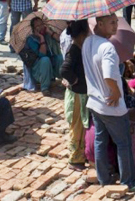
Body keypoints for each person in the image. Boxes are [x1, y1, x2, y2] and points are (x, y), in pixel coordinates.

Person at [82, 13, 135, 193]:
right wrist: (115, 90)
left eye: (116, 22)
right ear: (100, 23)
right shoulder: (107, 47)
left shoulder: (87, 42)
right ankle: (130, 181)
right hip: (111, 106)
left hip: (94, 102)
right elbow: (109, 74)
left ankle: (104, 178)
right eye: (112, 23)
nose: (115, 26)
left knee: (100, 140)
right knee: (123, 143)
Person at [60, 20, 91, 170]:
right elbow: (64, 70)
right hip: (77, 95)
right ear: (82, 34)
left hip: (82, 94)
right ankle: (74, 159)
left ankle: (82, 154)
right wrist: (75, 80)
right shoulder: (73, 50)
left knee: (82, 126)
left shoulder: (80, 48)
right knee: (77, 127)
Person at [25, 17, 62, 96]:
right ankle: (44, 88)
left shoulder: (47, 34)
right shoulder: (31, 39)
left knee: (59, 57)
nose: (40, 27)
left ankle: (64, 80)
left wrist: (49, 32)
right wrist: (41, 38)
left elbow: (60, 40)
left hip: (51, 64)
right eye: (37, 26)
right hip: (38, 68)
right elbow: (42, 54)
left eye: (41, 24)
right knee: (45, 60)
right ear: (33, 29)